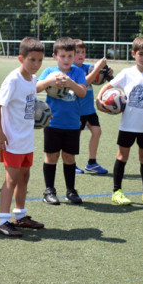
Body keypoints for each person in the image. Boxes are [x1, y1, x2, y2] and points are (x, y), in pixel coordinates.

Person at [98, 35, 143, 205]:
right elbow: (108, 86)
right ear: (133, 54)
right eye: (141, 54)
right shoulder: (127, 73)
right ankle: (117, 192)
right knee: (122, 156)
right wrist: (99, 99)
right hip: (128, 125)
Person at [0, 37, 46, 237]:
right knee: (11, 180)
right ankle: (3, 221)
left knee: (24, 177)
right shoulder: (13, 79)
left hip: (26, 140)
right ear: (21, 58)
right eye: (32, 60)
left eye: (40, 60)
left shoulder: (32, 80)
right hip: (12, 140)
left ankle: (20, 216)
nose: (36, 64)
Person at [36, 37, 87, 205]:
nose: (66, 60)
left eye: (70, 56)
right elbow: (35, 88)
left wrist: (70, 82)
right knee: (51, 156)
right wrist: (50, 81)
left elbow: (82, 93)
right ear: (55, 56)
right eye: (63, 56)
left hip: (72, 124)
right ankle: (49, 191)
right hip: (52, 122)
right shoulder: (49, 71)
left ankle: (70, 191)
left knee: (69, 158)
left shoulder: (78, 72)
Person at [73, 39, 109, 175]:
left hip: (89, 109)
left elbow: (98, 73)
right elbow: (86, 82)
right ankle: (72, 164)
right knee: (76, 136)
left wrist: (106, 70)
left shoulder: (87, 66)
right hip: (77, 110)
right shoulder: (72, 69)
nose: (81, 55)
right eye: (77, 53)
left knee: (97, 132)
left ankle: (92, 163)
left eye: (83, 52)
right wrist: (98, 68)